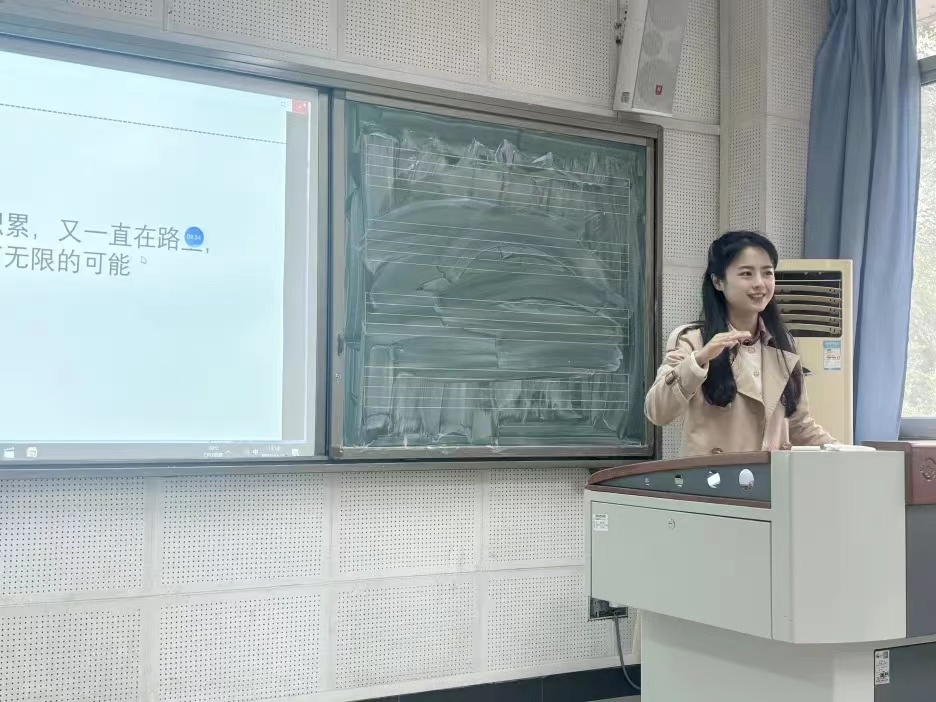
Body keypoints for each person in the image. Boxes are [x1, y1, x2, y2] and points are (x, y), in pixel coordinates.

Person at [646, 230, 837, 457]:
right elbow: (657, 411)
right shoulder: (693, 339)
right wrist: (700, 359)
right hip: (712, 476)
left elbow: (799, 426)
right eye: (746, 274)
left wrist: (848, 452)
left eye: (767, 273)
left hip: (770, 477)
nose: (760, 284)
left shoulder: (781, 343)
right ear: (718, 281)